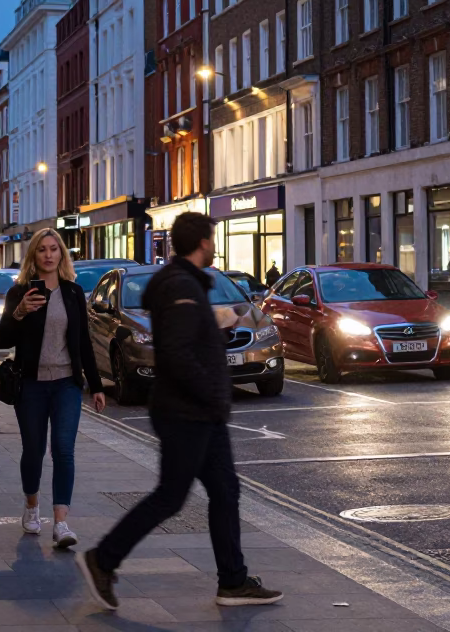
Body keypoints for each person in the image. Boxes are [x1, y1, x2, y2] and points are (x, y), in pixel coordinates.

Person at [78, 212, 282, 610]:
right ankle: (102, 559)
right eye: (212, 238)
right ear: (201, 243)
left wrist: (215, 333)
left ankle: (233, 581)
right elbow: (176, 352)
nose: (215, 245)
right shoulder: (181, 286)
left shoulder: (183, 284)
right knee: (170, 496)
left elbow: (187, 338)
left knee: (225, 492)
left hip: (200, 411)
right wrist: (212, 392)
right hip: (187, 411)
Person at [0, 228, 106, 549]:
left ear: (61, 255)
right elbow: (2, 340)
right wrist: (19, 313)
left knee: (63, 449)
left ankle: (61, 523)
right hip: (30, 385)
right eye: (42, 249)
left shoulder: (73, 292)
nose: (48, 255)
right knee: (33, 450)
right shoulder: (20, 293)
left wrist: (96, 385)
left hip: (66, 385)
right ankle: (32, 506)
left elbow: (83, 343)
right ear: (34, 255)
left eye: (53, 249)